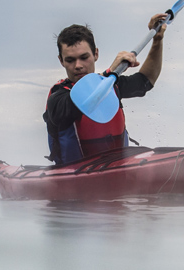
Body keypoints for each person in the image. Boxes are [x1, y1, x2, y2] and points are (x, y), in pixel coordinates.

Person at [44, 13, 167, 165]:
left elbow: (146, 81)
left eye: (84, 57)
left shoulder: (111, 85)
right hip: (75, 176)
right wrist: (110, 72)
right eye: (70, 60)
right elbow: (83, 101)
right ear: (61, 61)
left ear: (96, 54)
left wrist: (157, 40)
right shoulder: (58, 97)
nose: (78, 65)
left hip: (117, 168)